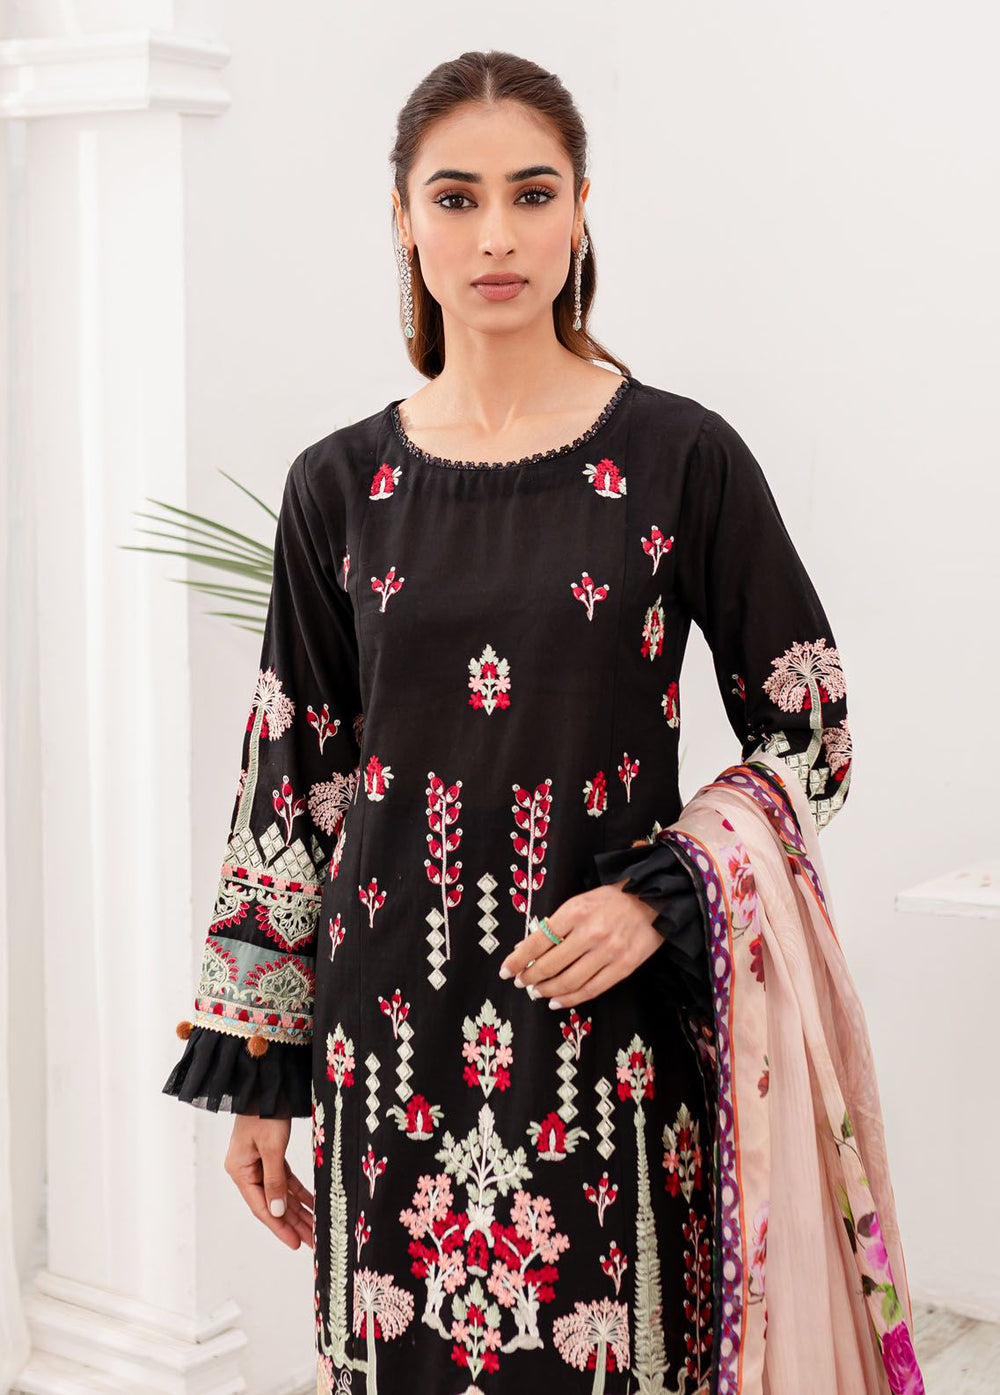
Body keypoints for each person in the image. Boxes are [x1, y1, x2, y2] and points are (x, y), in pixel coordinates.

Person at [163, 50, 851, 1395]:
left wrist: (660, 895)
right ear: (402, 219)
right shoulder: (337, 486)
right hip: (388, 1031)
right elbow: (288, 787)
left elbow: (811, 725)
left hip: (607, 1026)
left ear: (581, 212)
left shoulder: (680, 458)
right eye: (456, 197)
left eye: (532, 195)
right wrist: (256, 1069)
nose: (495, 236)